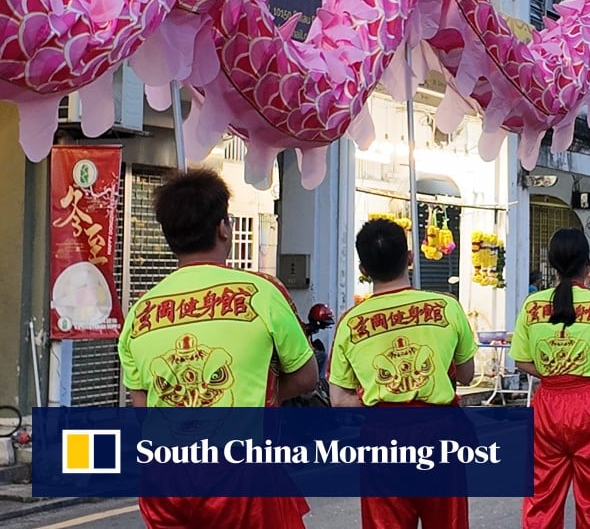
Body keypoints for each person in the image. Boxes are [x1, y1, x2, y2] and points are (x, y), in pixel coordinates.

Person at [117, 170, 316, 529]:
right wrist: (260, 395)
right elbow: (306, 377)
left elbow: (144, 408)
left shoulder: (139, 311)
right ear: (224, 228)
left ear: (169, 237)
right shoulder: (261, 292)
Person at [328, 219, 478, 528]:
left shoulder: (350, 322)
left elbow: (339, 401)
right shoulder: (446, 306)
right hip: (440, 434)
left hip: (382, 437)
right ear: (410, 258)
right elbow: (466, 375)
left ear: (363, 269)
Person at [512, 229, 590, 528]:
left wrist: (556, 373)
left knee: (541, 496)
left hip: (548, 406)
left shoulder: (532, 305)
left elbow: (521, 360)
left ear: (552, 263)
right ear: (587, 263)